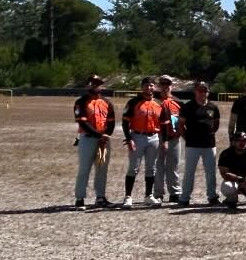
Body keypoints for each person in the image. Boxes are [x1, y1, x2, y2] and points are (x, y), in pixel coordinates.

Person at [121, 76, 165, 209]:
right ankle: (128, 197)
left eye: (151, 85)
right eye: (146, 85)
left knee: (151, 168)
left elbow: (164, 124)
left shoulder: (158, 104)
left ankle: (148, 196)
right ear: (142, 87)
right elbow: (125, 122)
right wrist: (129, 139)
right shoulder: (133, 102)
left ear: (154, 87)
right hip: (137, 136)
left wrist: (165, 141)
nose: (149, 87)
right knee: (133, 167)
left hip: (154, 137)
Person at [73, 74, 116, 209]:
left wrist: (106, 136)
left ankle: (100, 197)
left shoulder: (107, 103)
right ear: (87, 84)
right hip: (87, 140)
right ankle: (80, 198)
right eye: (92, 83)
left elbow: (111, 122)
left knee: (101, 169)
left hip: (103, 142)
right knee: (84, 169)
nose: (95, 85)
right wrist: (99, 136)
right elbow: (83, 123)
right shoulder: (81, 102)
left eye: (97, 83)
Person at [176, 80, 221, 206]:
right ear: (195, 91)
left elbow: (216, 124)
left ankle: (212, 196)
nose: (202, 93)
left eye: (205, 90)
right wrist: (186, 138)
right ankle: (185, 197)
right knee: (189, 172)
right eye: (200, 90)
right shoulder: (188, 107)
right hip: (192, 145)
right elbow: (180, 125)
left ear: (208, 92)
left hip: (209, 145)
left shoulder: (213, 107)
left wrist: (211, 133)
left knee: (211, 172)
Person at [153, 75, 183, 203]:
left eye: (168, 84)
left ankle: (175, 192)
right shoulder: (153, 101)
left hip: (174, 138)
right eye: (162, 84)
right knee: (158, 166)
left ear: (172, 86)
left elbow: (182, 121)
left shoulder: (178, 102)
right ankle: (158, 193)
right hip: (158, 138)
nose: (165, 86)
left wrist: (180, 133)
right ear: (159, 86)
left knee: (173, 166)